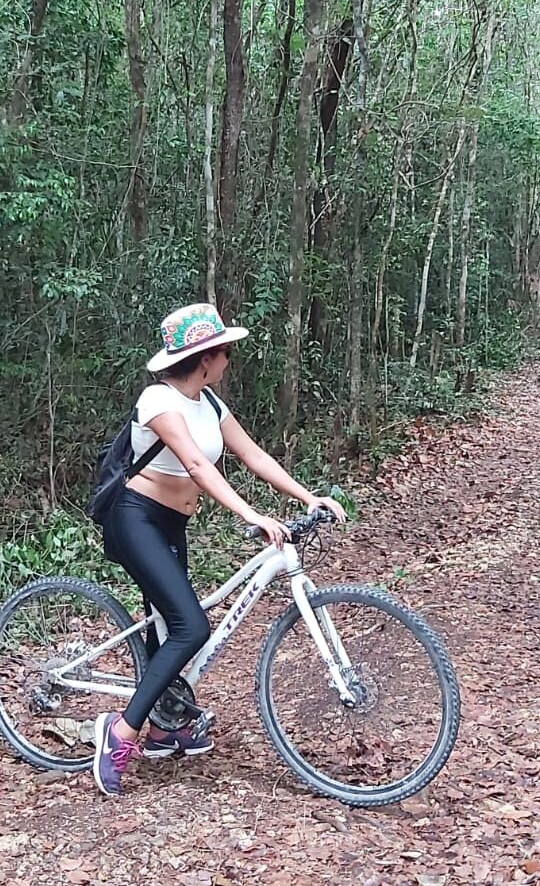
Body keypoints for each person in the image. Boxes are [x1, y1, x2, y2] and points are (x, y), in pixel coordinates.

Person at [93, 302, 346, 796]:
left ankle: (166, 727)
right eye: (225, 351)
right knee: (190, 626)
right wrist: (251, 515)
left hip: (171, 522)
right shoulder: (158, 402)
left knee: (168, 624)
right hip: (134, 517)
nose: (230, 359)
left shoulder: (208, 403)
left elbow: (251, 454)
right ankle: (119, 733)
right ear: (205, 356)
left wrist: (306, 495)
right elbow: (195, 464)